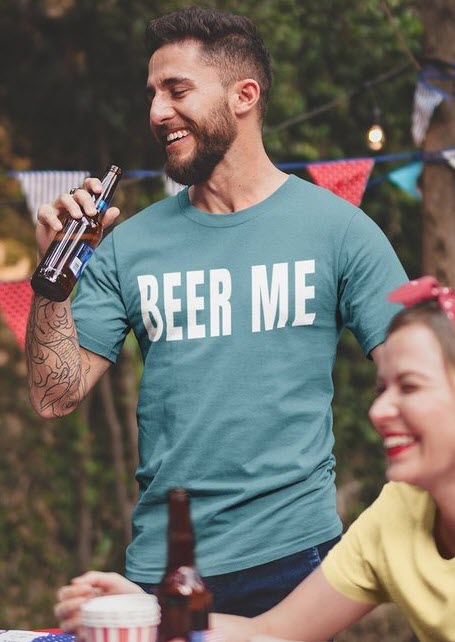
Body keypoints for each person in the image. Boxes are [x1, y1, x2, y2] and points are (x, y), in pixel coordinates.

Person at [26, 6, 407, 616]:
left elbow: (418, 380)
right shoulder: (130, 244)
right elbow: (53, 396)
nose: (156, 111)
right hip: (161, 567)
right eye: (152, 94)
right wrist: (52, 284)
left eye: (177, 90)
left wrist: (395, 529)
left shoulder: (341, 231)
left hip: (296, 559)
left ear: (243, 96)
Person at [54, 276, 455, 642]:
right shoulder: (397, 513)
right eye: (382, 388)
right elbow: (272, 632)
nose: (379, 410)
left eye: (410, 386)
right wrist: (152, 613)